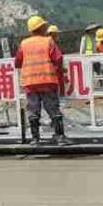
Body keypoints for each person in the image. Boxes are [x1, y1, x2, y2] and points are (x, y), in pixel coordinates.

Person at [15, 15, 66, 145]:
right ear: (42, 27)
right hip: (47, 80)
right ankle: (60, 137)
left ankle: (35, 139)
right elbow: (58, 58)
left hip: (30, 83)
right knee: (53, 109)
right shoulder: (48, 41)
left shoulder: (24, 43)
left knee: (33, 111)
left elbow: (18, 62)